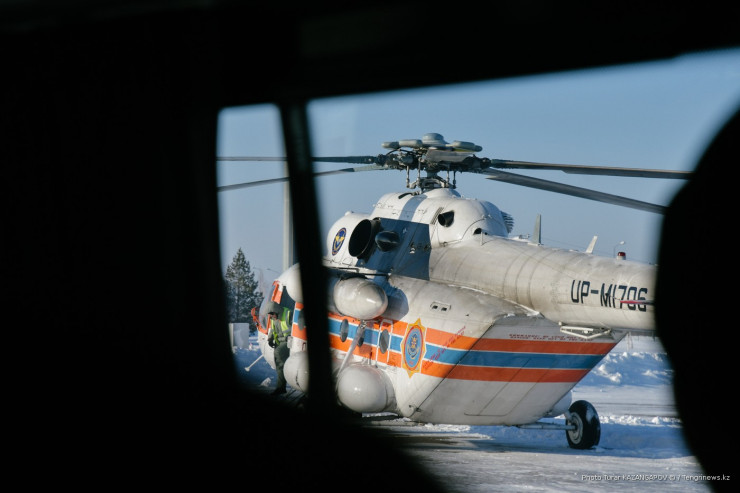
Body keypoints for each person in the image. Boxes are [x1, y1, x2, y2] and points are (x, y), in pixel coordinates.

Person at [267, 310, 291, 395]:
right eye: (270, 315)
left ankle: (281, 387)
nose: (271, 316)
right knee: (279, 365)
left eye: (272, 314)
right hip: (279, 342)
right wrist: (270, 338)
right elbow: (272, 329)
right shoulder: (273, 319)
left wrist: (285, 339)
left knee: (279, 356)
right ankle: (281, 387)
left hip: (288, 341)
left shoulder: (288, 314)